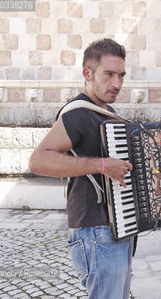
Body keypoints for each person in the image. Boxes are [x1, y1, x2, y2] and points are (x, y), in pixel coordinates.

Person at [28, 38, 134, 299]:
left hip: (114, 228)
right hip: (95, 231)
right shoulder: (78, 113)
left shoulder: (106, 113)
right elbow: (38, 160)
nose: (117, 83)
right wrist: (100, 165)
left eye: (121, 75)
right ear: (87, 73)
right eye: (109, 74)